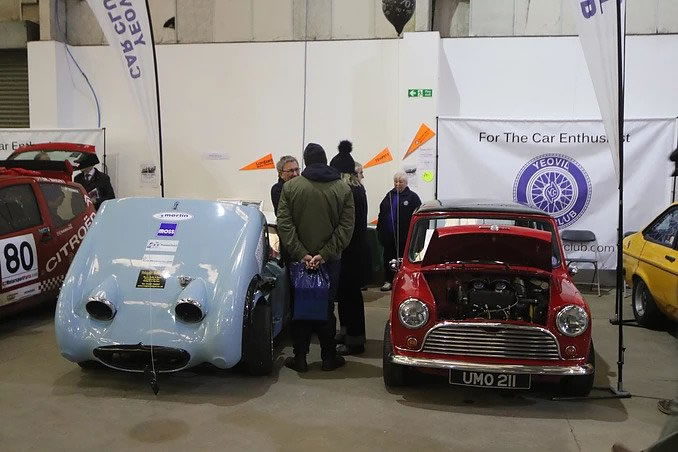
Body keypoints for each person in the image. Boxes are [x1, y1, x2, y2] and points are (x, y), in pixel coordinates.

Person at [277, 143, 355, 372]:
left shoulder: (290, 188)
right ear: (325, 159)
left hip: (298, 261)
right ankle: (329, 357)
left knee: (299, 307)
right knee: (327, 307)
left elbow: (284, 224)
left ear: (306, 162)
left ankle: (299, 358)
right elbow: (346, 227)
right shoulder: (343, 189)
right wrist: (324, 254)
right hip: (330, 261)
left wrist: (302, 254)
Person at [329, 140, 367, 355]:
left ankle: (355, 340)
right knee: (346, 295)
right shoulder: (357, 189)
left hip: (350, 252)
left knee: (350, 297)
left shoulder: (349, 192)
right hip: (354, 251)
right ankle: (346, 332)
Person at [376, 171, 421, 291]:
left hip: (405, 237)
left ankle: (404, 281)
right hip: (389, 236)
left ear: (406, 183)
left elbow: (418, 217)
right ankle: (388, 280)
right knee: (389, 258)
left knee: (403, 259)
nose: (397, 184)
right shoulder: (389, 196)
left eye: (400, 182)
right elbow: (382, 213)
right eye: (396, 181)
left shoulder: (413, 197)